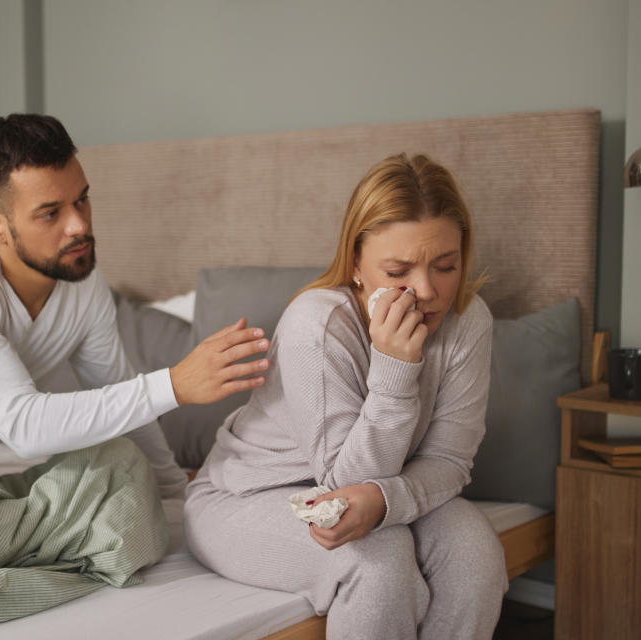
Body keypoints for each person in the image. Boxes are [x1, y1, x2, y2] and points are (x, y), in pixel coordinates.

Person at [183, 153, 506, 639]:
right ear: (356, 264)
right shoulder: (318, 325)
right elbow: (343, 481)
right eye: (398, 270)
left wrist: (383, 501)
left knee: (475, 549)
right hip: (247, 497)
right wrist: (395, 367)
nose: (426, 291)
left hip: (373, 487)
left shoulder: (468, 321)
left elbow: (449, 460)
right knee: (378, 561)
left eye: (446, 265)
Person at [0, 113, 270, 498]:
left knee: (110, 473)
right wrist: (175, 384)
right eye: (50, 213)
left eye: (82, 200)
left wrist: (173, 489)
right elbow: (25, 428)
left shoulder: (82, 283)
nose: (79, 225)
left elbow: (116, 392)